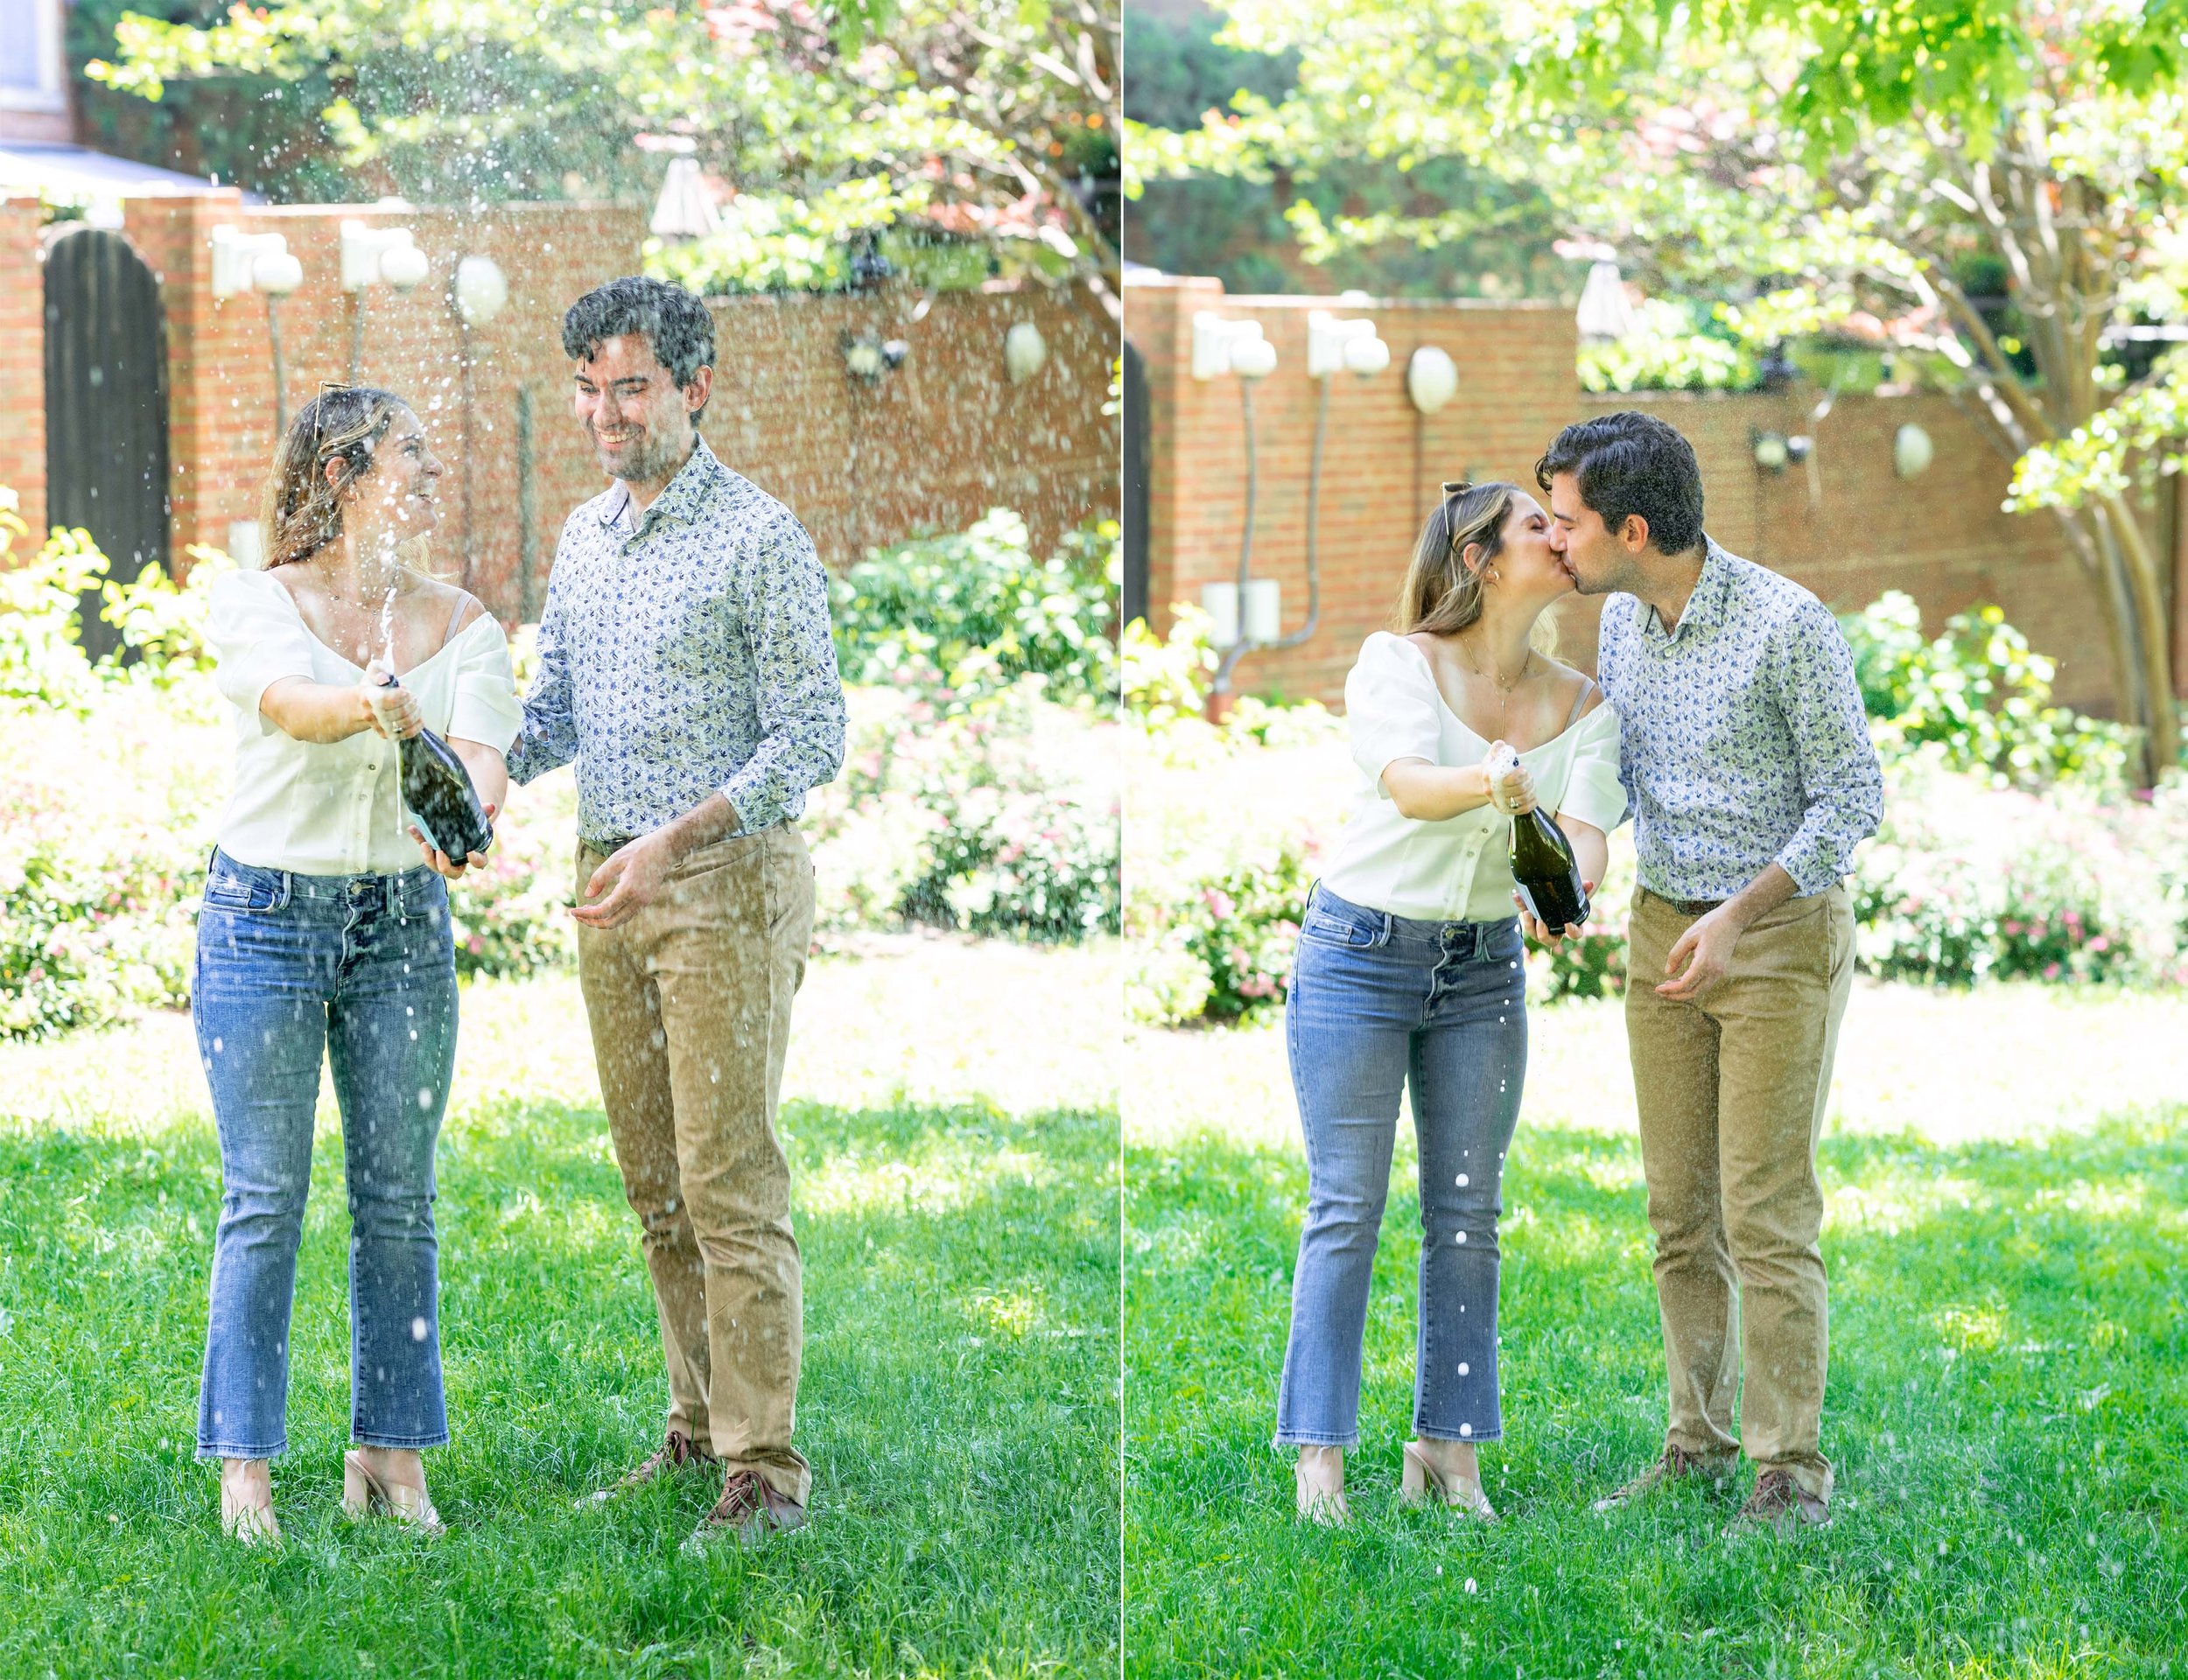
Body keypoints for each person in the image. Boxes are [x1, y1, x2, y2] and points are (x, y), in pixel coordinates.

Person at [510, 276, 845, 1549]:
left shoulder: (758, 536)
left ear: (695, 388)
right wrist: (469, 776)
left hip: (725, 887)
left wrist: (676, 840)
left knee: (728, 1179)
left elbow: (811, 734)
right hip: (616, 885)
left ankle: (768, 1474)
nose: (605, 411)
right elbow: (554, 719)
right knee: (656, 1186)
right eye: (590, 388)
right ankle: (696, 1428)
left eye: (632, 385)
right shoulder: (584, 539)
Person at [1539, 410, 1883, 1534]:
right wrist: (1570, 868)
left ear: (1633, 529)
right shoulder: (1624, 627)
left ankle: (1790, 1477)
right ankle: (1695, 1445)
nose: (1553, 541)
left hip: (1774, 941)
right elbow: (1621, 778)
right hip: (1661, 936)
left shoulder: (1788, 626)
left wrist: (1741, 915)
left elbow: (1851, 798)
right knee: (1678, 1213)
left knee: (1766, 1214)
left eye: (1568, 522)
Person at [195, 384, 520, 1544]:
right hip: (264, 920)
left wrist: (463, 816)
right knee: (266, 1198)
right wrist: (368, 708)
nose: (433, 472)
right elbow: (289, 704)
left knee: (399, 1201)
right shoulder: (258, 603)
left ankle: (390, 1457)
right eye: (410, 456)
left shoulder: (464, 621)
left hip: (398, 929)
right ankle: (246, 1469)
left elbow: (480, 755)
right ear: (341, 476)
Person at [1274, 480, 1625, 1524]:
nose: (1559, 540)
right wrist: (1498, 782)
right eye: (1536, 527)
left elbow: (1586, 845)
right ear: (1478, 557)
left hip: (1481, 972)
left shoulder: (1586, 704)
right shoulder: (1398, 663)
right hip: (1358, 954)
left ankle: (1447, 1453)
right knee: (1347, 1209)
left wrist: (1567, 881)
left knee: (1468, 1211)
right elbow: (1409, 786)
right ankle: (1320, 1464)